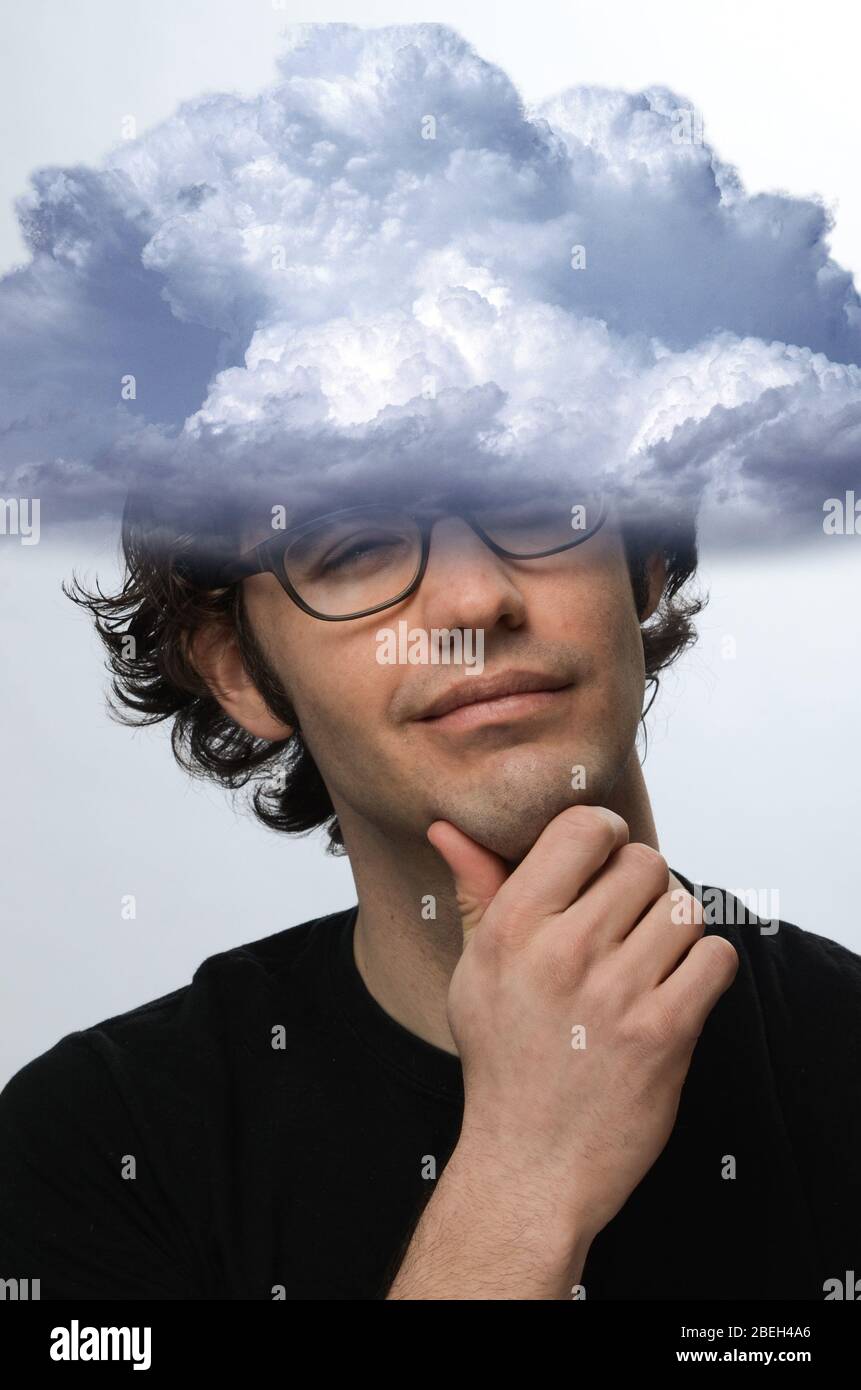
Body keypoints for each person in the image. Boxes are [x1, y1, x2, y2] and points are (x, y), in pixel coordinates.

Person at [1, 483, 859, 1300]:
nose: (473, 603)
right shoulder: (93, 1146)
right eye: (358, 545)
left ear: (640, 564)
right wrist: (520, 1184)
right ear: (238, 672)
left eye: (529, 507)